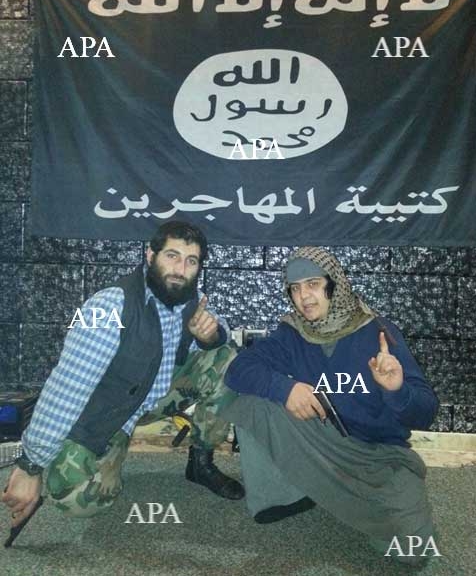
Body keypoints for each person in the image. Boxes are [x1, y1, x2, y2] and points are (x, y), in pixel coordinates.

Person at [2, 221, 244, 527]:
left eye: (191, 261)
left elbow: (220, 331)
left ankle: (201, 463)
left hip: (158, 396)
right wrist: (31, 464)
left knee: (230, 360)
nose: (180, 269)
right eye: (172, 256)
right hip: (112, 413)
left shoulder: (189, 297)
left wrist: (211, 336)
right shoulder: (107, 307)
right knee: (75, 497)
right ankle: (111, 450)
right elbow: (66, 389)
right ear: (150, 256)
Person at [224, 246, 439, 564]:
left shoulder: (377, 332)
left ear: (333, 285)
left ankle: (340, 494)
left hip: (378, 456)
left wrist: (397, 389)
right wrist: (285, 389)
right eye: (295, 288)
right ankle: (286, 497)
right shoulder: (293, 332)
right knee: (255, 402)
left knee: (414, 552)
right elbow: (238, 370)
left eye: (313, 284)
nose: (304, 297)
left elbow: (426, 412)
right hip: (325, 440)